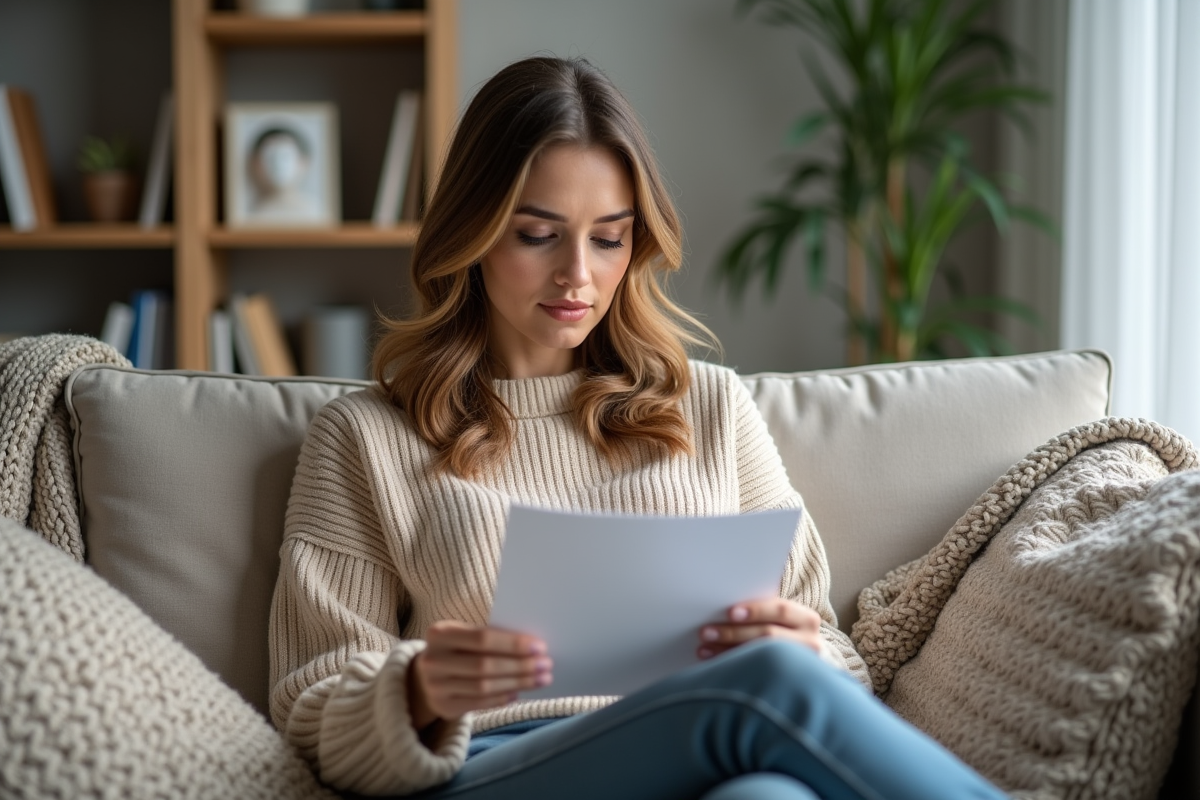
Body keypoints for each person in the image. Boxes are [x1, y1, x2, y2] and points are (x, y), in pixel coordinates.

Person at [268, 56, 1008, 800]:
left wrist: (808, 648)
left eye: (608, 239)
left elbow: (829, 658)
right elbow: (311, 704)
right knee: (764, 688)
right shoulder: (364, 437)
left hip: (714, 751)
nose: (577, 277)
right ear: (475, 233)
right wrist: (420, 689)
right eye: (536, 235)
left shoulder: (712, 407)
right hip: (499, 770)